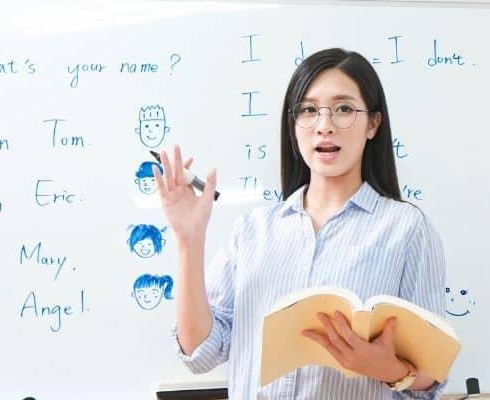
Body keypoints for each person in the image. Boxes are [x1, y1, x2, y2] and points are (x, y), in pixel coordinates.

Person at [153, 48, 447, 399]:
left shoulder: (406, 229)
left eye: (343, 109)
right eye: (309, 110)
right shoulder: (253, 231)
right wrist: (189, 240)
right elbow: (201, 352)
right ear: (293, 126)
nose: (325, 125)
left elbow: (433, 371)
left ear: (373, 124)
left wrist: (384, 367)